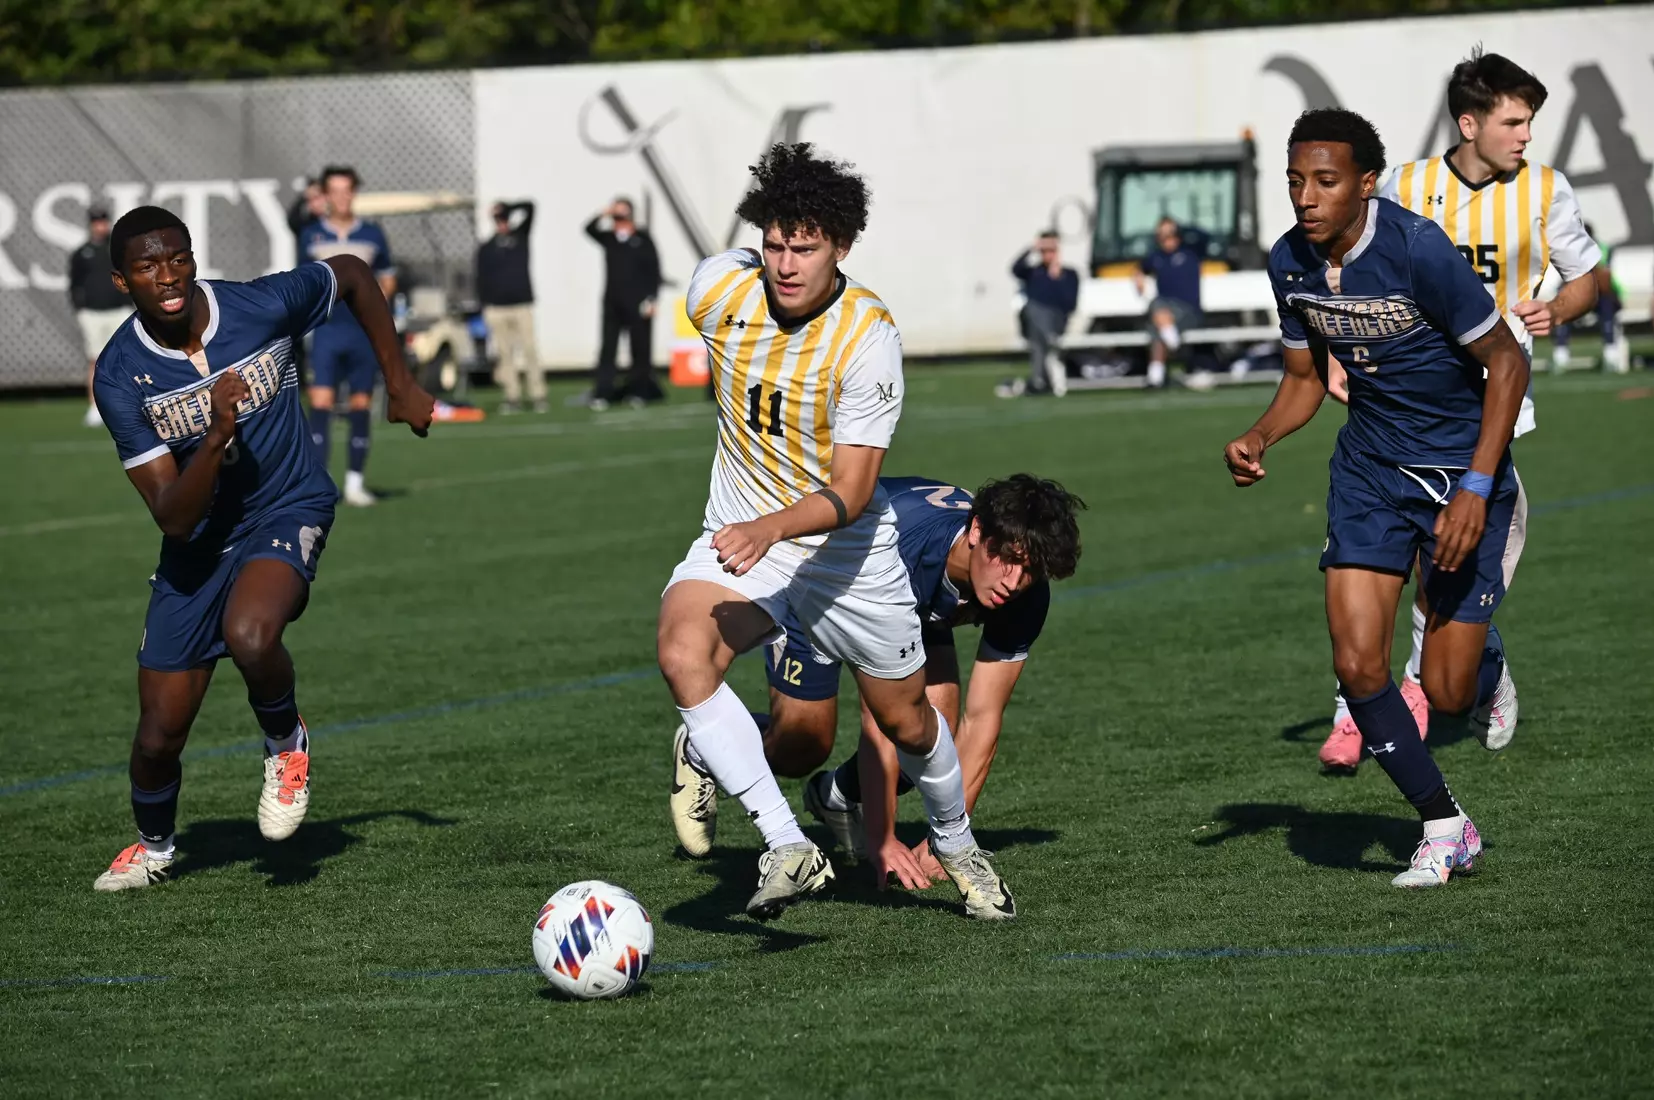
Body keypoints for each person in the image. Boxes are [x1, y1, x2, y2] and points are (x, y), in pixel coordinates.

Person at [655, 142, 1013, 922]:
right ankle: (787, 844)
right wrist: (754, 532)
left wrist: (770, 526)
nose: (785, 263)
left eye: (805, 247)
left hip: (847, 556)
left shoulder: (867, 336)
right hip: (745, 542)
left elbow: (852, 492)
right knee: (684, 654)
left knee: (909, 722)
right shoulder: (718, 289)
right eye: (775, 243)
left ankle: (957, 843)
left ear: (841, 247)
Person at [1224, 109, 1530, 888]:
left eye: (1325, 181)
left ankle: (1486, 668)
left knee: (1449, 691)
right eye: (1295, 180)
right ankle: (1443, 823)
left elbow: (1506, 363)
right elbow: (1302, 380)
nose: (1305, 197)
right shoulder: (1288, 261)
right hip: (1369, 472)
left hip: (1463, 474)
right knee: (1360, 665)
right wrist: (1260, 437)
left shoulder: (1415, 248)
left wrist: (1476, 486)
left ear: (1365, 183)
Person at [87, 205, 434, 892]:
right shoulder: (121, 376)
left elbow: (357, 276)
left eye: (178, 257)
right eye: (148, 266)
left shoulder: (259, 305)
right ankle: (154, 849)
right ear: (123, 282)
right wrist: (215, 436)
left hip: (287, 503)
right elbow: (174, 518)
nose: (168, 275)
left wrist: (399, 382)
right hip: (197, 545)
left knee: (250, 634)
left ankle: (285, 744)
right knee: (158, 736)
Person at [1311, 50, 1602, 772]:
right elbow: (1348, 276)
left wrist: (1555, 308)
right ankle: (1371, 694)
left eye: (1530, 121)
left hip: (1490, 414)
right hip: (1402, 410)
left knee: (1445, 569)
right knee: (1399, 562)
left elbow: (1588, 279)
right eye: (1514, 121)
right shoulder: (1406, 187)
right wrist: (1337, 355)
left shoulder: (1544, 190)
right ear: (1469, 123)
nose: (1526, 135)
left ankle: (1477, 668)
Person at [670, 475, 1083, 886]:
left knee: (927, 737)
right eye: (1008, 558)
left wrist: (952, 838)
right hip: (820, 579)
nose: (1013, 581)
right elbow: (879, 718)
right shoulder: (901, 551)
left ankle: (836, 796)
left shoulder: (1025, 595)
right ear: (976, 531)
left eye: (1029, 570)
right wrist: (881, 838)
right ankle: (701, 749)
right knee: (802, 746)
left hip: (913, 604)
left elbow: (984, 717)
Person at [297, 166, 396, 507]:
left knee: (360, 406)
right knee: (320, 404)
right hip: (325, 332)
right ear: (324, 195)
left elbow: (387, 277)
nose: (341, 196)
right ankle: (320, 486)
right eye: (334, 190)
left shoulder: (372, 234)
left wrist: (377, 306)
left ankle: (355, 484)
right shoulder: (311, 236)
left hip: (361, 334)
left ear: (354, 193)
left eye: (347, 190)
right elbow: (301, 283)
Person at [583, 198, 662, 410]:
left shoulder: (642, 238)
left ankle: (639, 391)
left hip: (637, 303)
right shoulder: (609, 238)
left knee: (640, 349)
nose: (618, 220)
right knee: (608, 349)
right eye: (615, 216)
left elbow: (654, 270)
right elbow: (588, 229)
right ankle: (603, 392)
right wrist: (605, 212)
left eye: (621, 215)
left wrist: (652, 298)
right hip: (612, 302)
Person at [477, 200, 544, 414]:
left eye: (504, 218)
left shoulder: (520, 238)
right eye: (498, 219)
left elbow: (530, 208)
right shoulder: (487, 248)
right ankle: (512, 396)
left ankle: (538, 395)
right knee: (505, 355)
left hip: (521, 305)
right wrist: (485, 305)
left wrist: (507, 207)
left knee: (530, 350)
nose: (502, 223)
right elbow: (480, 278)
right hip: (497, 308)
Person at [68, 204, 131, 427]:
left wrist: (128, 303)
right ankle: (95, 407)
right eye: (96, 222)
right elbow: (75, 284)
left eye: (103, 221)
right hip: (92, 314)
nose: (100, 226)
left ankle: (125, 404)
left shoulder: (117, 250)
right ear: (90, 224)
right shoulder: (81, 253)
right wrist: (81, 309)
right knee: (95, 360)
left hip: (119, 311)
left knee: (124, 360)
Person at [1000, 232, 1079, 398]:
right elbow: (1015, 268)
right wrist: (1032, 248)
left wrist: (1057, 278)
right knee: (1032, 310)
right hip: (1034, 319)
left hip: (1055, 320)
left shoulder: (1069, 275)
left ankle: (1038, 380)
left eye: (1051, 250)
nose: (1047, 254)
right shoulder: (1033, 273)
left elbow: (1070, 304)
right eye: (1044, 250)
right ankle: (1047, 357)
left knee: (1036, 332)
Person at [1136, 217, 1204, 388]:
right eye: (1162, 234)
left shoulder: (1191, 252)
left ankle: (1158, 372)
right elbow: (1140, 268)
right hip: (1167, 312)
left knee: (1157, 312)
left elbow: (1202, 235)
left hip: (1189, 310)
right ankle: (1157, 376)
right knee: (1157, 322)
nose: (1166, 238)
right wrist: (1137, 277)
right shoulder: (1157, 257)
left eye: (1170, 233)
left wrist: (1178, 228)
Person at [1551, 224, 1625, 374]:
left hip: (1602, 295)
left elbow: (1604, 280)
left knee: (1607, 308)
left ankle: (1610, 354)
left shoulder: (1603, 249)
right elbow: (1567, 279)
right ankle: (1561, 355)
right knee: (1561, 308)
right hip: (1579, 294)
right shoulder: (1570, 250)